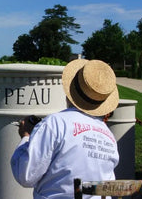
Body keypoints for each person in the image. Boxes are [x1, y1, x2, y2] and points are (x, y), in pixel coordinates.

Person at [11, 59, 120, 198]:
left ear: (70, 91)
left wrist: (26, 137)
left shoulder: (55, 123)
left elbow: (26, 176)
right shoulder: (109, 137)